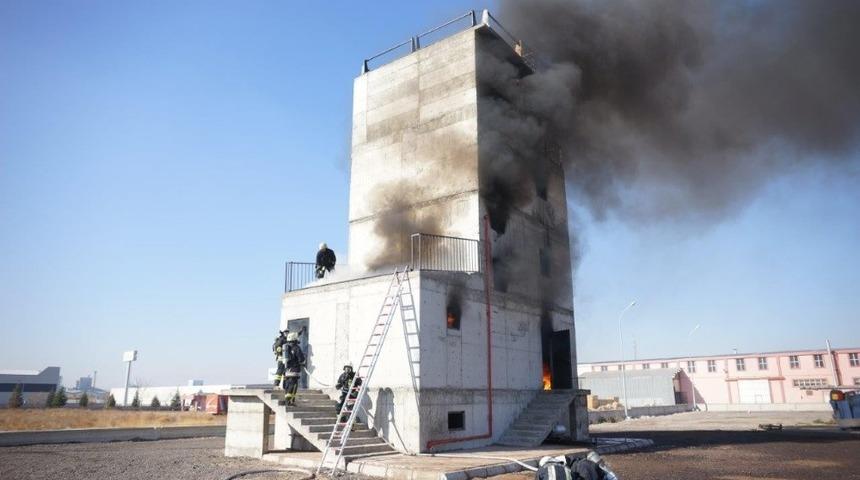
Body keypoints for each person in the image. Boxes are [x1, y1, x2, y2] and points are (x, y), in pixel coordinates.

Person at [282, 331, 306, 406]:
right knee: (293, 386)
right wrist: (303, 362)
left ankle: (287, 400)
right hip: (294, 371)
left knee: (288, 385)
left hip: (287, 370)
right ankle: (290, 401)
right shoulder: (296, 348)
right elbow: (301, 359)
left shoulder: (286, 347)